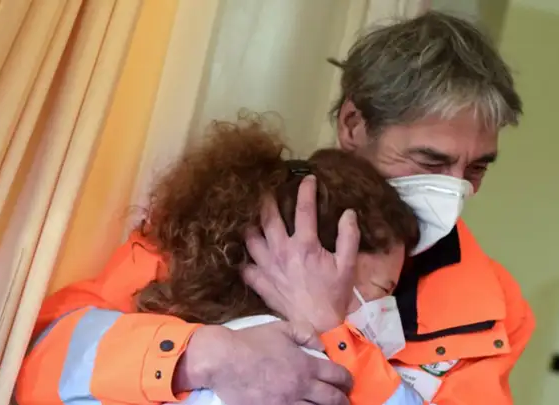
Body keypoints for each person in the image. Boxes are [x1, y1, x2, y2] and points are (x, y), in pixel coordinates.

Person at [16, 10, 534, 405]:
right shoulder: (228, 214)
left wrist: (332, 331)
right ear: (354, 125)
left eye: (476, 169)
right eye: (429, 160)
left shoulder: (491, 304)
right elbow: (36, 362)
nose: (454, 189)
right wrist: (204, 357)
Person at [129, 119, 423, 404]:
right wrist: (338, 339)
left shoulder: (171, 352)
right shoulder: (302, 375)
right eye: (383, 290)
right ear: (314, 262)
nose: (388, 312)